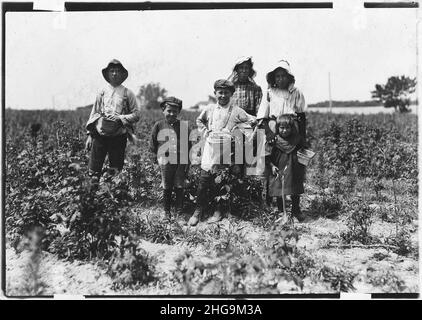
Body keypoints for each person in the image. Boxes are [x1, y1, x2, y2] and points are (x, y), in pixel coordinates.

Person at [188, 79, 256, 226]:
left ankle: (218, 211)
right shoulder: (210, 109)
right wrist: (206, 131)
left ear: (231, 94)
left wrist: (237, 129)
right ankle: (198, 210)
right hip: (211, 148)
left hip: (226, 149)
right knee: (204, 180)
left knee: (222, 180)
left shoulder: (237, 110)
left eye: (226, 93)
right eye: (220, 92)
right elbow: (199, 121)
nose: (223, 96)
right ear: (215, 93)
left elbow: (252, 120)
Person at [257, 59, 307, 221]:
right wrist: (270, 135)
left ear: (289, 77)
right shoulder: (270, 93)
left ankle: (296, 209)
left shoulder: (296, 92)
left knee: (295, 171)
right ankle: (281, 209)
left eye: (283, 76)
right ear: (273, 78)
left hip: (292, 130)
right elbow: (262, 118)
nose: (280, 79)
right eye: (277, 76)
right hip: (275, 129)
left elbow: (301, 116)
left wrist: (302, 139)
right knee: (277, 170)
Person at [85, 59, 140, 177]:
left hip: (118, 136)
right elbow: (94, 114)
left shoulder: (128, 93)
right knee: (93, 169)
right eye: (112, 71)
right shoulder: (102, 92)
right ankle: (92, 194)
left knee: (115, 171)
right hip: (100, 135)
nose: (114, 73)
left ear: (122, 74)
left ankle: (113, 194)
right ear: (108, 74)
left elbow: (136, 115)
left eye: (117, 71)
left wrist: (120, 118)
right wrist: (90, 135)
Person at [149, 97, 191, 219]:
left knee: (179, 185)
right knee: (166, 185)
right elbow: (152, 142)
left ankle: (179, 212)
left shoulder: (183, 126)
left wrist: (187, 162)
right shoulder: (159, 125)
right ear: (163, 110)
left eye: (175, 111)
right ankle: (166, 211)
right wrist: (154, 158)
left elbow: (188, 145)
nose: (172, 114)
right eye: (169, 111)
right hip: (165, 159)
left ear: (178, 112)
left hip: (180, 160)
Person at [266, 114, 306, 222]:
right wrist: (272, 166)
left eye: (287, 128)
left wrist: (304, 159)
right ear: (277, 128)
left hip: (294, 168)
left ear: (292, 128)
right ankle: (281, 212)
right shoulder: (274, 141)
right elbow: (267, 156)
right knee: (280, 190)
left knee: (295, 189)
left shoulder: (297, 139)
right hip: (279, 168)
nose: (284, 131)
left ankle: (295, 211)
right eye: (282, 128)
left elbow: (304, 151)